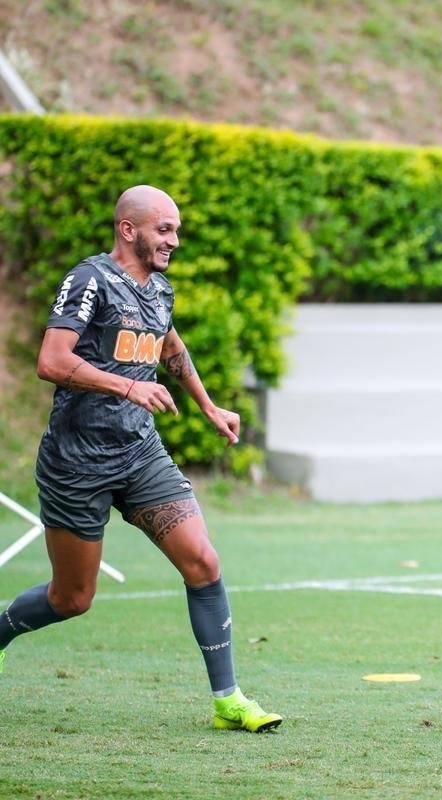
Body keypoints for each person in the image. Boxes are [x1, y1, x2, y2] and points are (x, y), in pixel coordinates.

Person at [0, 185, 281, 733]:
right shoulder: (90, 280)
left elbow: (170, 346)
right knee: (72, 597)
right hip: (76, 462)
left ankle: (228, 701)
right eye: (164, 229)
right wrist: (127, 387)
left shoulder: (159, 290)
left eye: (176, 230)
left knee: (203, 563)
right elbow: (51, 361)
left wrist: (208, 406)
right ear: (128, 230)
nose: (174, 240)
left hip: (140, 454)